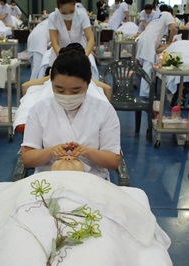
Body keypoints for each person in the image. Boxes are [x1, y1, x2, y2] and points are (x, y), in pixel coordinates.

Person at [21, 44, 121, 179]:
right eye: (59, 90)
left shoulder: (104, 111)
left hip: (92, 180)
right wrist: (51, 152)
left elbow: (113, 161)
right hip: (48, 180)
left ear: (88, 83)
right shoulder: (39, 109)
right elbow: (27, 158)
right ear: (50, 82)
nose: (67, 95)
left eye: (75, 91)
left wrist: (88, 152)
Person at [134, 4, 176, 97]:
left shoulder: (157, 16)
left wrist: (162, 44)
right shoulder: (167, 15)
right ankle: (145, 94)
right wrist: (169, 43)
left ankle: (144, 90)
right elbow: (173, 29)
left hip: (143, 39)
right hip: (148, 41)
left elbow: (154, 33)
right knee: (147, 67)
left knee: (147, 65)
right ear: (171, 13)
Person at [48, 0, 94, 66]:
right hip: (59, 54)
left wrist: (83, 56)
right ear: (58, 8)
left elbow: (91, 39)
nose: (68, 15)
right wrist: (64, 58)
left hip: (80, 52)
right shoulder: (53, 17)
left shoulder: (82, 16)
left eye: (72, 11)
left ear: (75, 4)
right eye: (64, 13)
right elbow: (54, 42)